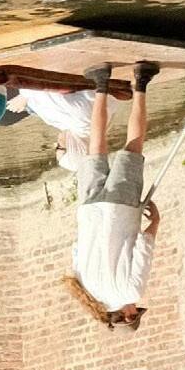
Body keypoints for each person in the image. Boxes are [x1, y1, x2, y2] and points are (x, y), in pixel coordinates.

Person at [69, 63, 161, 328]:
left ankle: (141, 81)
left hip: (121, 211)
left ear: (129, 315)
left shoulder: (130, 292)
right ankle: (101, 81)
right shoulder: (87, 292)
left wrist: (155, 222)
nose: (136, 306)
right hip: (89, 211)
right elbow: (76, 249)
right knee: (95, 146)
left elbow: (144, 248)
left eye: (136, 311)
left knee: (134, 146)